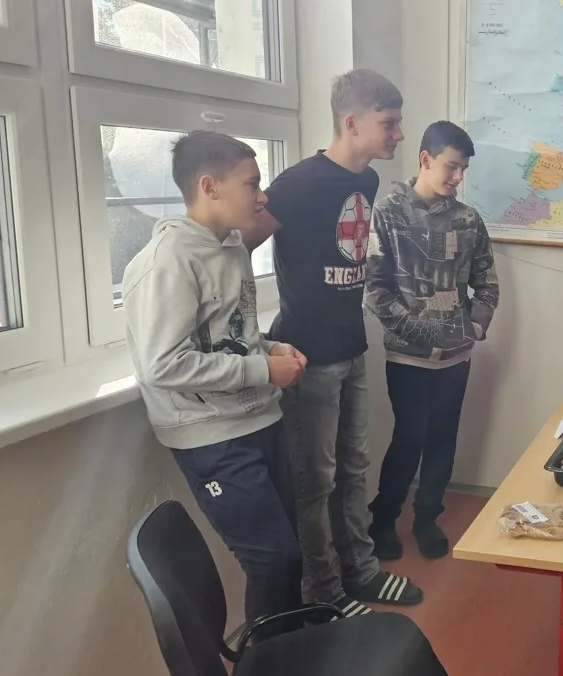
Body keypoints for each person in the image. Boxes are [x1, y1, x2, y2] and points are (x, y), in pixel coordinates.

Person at [245, 69, 423, 616]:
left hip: (351, 347)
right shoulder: (298, 183)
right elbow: (237, 245)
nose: (398, 134)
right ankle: (323, 592)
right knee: (315, 483)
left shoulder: (367, 181)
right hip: (307, 356)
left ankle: (361, 571)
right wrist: (246, 333)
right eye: (388, 123)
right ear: (351, 123)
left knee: (354, 468)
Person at [122, 131, 306, 626]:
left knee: (290, 553)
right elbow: (163, 364)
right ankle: (273, 658)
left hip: (260, 417)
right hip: (214, 438)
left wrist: (269, 348)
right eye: (252, 184)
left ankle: (296, 648)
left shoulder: (232, 247)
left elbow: (230, 334)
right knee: (272, 561)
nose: (262, 197)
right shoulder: (166, 264)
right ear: (209, 186)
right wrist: (263, 368)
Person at [365, 121, 499, 560]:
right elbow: (375, 290)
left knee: (443, 439)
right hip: (407, 358)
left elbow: (487, 284)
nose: (457, 177)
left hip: (456, 359)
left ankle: (426, 518)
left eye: (463, 170)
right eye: (451, 167)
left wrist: (473, 327)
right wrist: (420, 333)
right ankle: (383, 520)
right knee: (409, 439)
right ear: (425, 159)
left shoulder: (468, 220)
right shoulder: (388, 214)